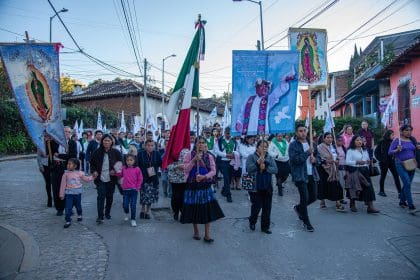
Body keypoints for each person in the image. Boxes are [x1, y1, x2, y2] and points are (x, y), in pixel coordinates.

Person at [181, 136, 225, 242]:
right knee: (194, 209)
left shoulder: (209, 156)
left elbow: (213, 171)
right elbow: (185, 169)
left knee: (207, 210)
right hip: (192, 186)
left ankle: (207, 235)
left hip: (205, 186)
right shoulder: (188, 155)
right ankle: (196, 232)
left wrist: (204, 177)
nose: (201, 145)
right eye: (199, 142)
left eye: (202, 143)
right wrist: (193, 160)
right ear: (195, 144)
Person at [235, 70, 296, 135]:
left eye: (267, 87)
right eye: (263, 86)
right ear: (257, 88)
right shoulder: (248, 100)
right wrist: (238, 122)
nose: (266, 88)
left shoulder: (269, 100)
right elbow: (241, 113)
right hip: (248, 132)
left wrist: (285, 81)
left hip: (262, 134)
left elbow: (278, 92)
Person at [288, 124, 319, 232]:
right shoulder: (293, 145)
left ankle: (299, 208)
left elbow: (319, 158)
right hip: (300, 175)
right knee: (304, 197)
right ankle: (306, 222)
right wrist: (307, 153)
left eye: (304, 130)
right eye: (300, 131)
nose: (303, 133)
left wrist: (315, 160)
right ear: (296, 133)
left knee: (314, 197)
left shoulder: (313, 144)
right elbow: (295, 160)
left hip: (312, 174)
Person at [246, 140, 278, 234]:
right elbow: (249, 169)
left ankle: (265, 227)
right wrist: (257, 163)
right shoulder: (251, 157)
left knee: (267, 207)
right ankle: (252, 221)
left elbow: (275, 170)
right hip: (255, 186)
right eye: (262, 146)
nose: (264, 148)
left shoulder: (269, 157)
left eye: (266, 147)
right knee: (256, 206)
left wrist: (266, 167)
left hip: (267, 186)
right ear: (257, 147)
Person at [90, 134, 123, 224]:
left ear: (112, 142)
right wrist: (94, 171)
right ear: (102, 141)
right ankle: (100, 216)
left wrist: (115, 170)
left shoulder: (116, 152)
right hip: (100, 178)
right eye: (105, 140)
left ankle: (107, 212)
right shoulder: (97, 152)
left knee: (109, 197)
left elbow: (121, 163)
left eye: (108, 140)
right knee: (100, 196)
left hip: (111, 179)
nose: (107, 142)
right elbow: (92, 163)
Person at [389, 125, 419, 213]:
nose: (409, 132)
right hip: (400, 164)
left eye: (410, 130)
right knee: (407, 183)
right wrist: (397, 150)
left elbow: (414, 150)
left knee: (407, 184)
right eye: (406, 130)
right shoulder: (397, 141)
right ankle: (411, 206)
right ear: (401, 131)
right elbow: (390, 152)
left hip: (412, 164)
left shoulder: (412, 140)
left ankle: (402, 201)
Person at [345, 135, 379, 213]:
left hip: (365, 170)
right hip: (354, 170)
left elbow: (366, 159)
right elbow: (347, 162)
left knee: (369, 187)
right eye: (357, 140)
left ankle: (370, 206)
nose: (359, 142)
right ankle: (352, 203)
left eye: (360, 140)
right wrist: (357, 162)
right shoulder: (350, 150)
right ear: (353, 141)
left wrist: (368, 162)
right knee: (354, 188)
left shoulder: (364, 150)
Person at [51, 126, 78, 216]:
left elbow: (72, 156)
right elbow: (51, 153)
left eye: (68, 132)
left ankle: (69, 207)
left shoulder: (72, 143)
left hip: (68, 168)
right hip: (57, 168)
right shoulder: (54, 142)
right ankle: (59, 208)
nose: (66, 133)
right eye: (65, 131)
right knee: (57, 188)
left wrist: (60, 155)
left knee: (69, 189)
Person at [59, 158, 93, 228]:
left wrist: (93, 176)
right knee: (68, 208)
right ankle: (68, 220)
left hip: (77, 194)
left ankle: (79, 215)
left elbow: (86, 179)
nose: (68, 165)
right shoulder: (65, 174)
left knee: (78, 206)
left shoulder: (79, 173)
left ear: (75, 166)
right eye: (67, 164)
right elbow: (63, 185)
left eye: (70, 164)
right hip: (69, 194)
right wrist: (61, 194)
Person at [317, 132, 345, 212]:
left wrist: (336, 160)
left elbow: (335, 157)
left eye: (331, 137)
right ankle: (322, 202)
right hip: (324, 169)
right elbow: (319, 159)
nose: (330, 139)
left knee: (336, 186)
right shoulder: (319, 147)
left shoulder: (333, 147)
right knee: (323, 186)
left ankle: (338, 203)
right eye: (328, 137)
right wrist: (327, 161)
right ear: (324, 138)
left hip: (333, 170)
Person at [115, 154, 143, 227]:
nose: (129, 162)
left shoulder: (137, 169)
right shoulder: (124, 168)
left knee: (133, 205)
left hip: (134, 190)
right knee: (125, 205)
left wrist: (137, 187)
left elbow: (140, 179)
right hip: (125, 190)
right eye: (127, 160)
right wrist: (117, 171)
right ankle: (126, 212)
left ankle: (133, 219)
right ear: (125, 161)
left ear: (134, 161)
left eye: (131, 160)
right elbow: (120, 175)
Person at [137, 139, 162, 219]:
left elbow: (160, 164)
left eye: (152, 145)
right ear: (145, 146)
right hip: (143, 177)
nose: (150, 147)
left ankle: (148, 211)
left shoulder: (157, 153)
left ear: (154, 146)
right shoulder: (140, 154)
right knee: (143, 195)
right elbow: (137, 165)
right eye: (148, 145)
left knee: (151, 195)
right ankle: (142, 209)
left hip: (153, 178)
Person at [374, 130, 401, 197]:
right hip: (384, 162)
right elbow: (376, 152)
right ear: (388, 135)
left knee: (396, 176)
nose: (393, 136)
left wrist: (398, 149)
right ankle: (381, 191)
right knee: (383, 176)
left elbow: (394, 151)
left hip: (392, 161)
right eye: (392, 135)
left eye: (393, 135)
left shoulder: (393, 142)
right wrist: (381, 160)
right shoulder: (382, 141)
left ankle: (400, 192)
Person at [214, 127, 237, 203]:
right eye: (227, 133)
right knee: (226, 178)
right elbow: (216, 151)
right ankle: (228, 195)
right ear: (224, 133)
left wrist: (234, 154)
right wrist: (226, 155)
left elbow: (236, 150)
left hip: (232, 161)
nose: (229, 135)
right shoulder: (220, 140)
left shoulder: (234, 140)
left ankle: (224, 190)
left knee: (230, 178)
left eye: (230, 133)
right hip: (223, 162)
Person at [167, 148, 189, 221]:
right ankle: (176, 212)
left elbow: (191, 163)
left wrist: (186, 166)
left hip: (184, 178)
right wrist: (177, 166)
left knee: (183, 196)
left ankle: (183, 212)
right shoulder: (171, 150)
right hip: (174, 179)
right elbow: (167, 165)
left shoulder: (187, 150)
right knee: (176, 196)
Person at [37, 135, 53, 207]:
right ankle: (49, 198)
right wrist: (40, 166)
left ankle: (56, 198)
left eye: (48, 136)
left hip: (53, 165)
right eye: (46, 136)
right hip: (45, 166)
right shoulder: (41, 144)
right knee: (48, 183)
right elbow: (38, 156)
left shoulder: (54, 142)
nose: (47, 137)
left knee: (54, 183)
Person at [335, 136, 347, 205]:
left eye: (342, 140)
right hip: (337, 168)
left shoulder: (344, 148)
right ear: (336, 141)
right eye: (339, 140)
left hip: (343, 167)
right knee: (339, 183)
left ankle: (342, 198)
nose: (340, 141)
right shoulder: (333, 148)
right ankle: (338, 198)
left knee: (343, 184)